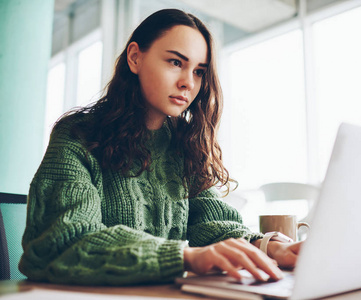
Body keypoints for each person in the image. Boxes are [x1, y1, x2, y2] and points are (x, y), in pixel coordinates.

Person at [19, 8, 302, 285]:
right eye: (175, 62)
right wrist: (186, 257)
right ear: (134, 58)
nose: (188, 83)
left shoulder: (183, 144)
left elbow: (212, 224)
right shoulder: (77, 134)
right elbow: (64, 242)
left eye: (199, 71)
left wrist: (271, 246)